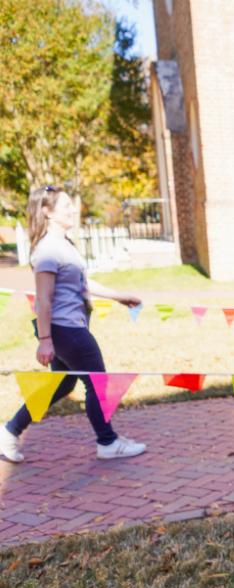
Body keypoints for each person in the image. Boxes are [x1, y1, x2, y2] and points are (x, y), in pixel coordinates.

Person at [0, 186, 148, 463]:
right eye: (66, 205)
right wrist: (45, 340)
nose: (73, 209)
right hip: (65, 329)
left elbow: (82, 284)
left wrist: (119, 297)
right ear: (47, 211)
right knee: (97, 382)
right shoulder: (46, 250)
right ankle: (108, 442)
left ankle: (9, 431)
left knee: (64, 384)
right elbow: (42, 299)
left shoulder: (63, 245)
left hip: (68, 326)